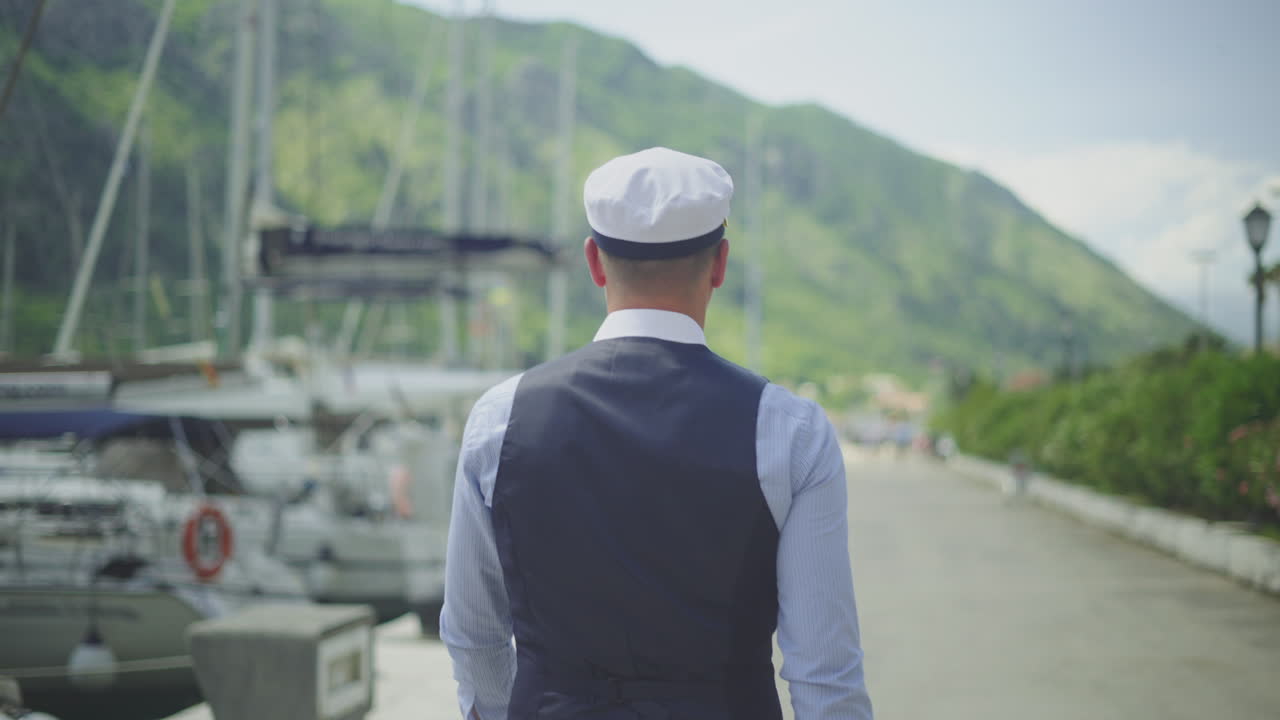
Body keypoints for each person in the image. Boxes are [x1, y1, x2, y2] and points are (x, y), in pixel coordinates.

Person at [440, 147, 873, 720]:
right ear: (719, 264)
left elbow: (473, 635)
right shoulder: (790, 429)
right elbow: (825, 677)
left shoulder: (500, 418)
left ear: (595, 262)